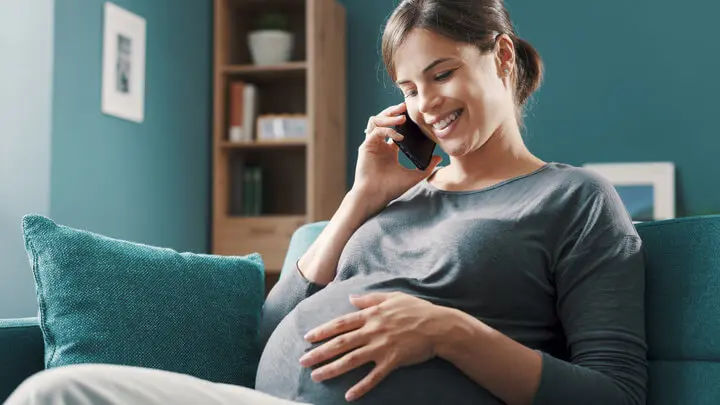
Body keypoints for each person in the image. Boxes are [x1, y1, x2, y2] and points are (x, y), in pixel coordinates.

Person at [5, 0, 647, 404]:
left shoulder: (574, 198)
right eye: (409, 87)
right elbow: (267, 331)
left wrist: (449, 332)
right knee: (56, 392)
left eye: (443, 73)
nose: (427, 103)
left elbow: (615, 393)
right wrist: (361, 198)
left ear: (501, 56)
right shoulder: (393, 198)